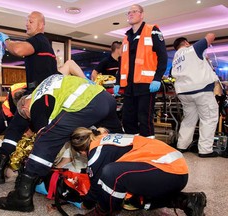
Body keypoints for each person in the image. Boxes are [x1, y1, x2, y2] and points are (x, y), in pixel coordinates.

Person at [0, 74, 123, 212]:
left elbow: (46, 139)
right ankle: (126, 182)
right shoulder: (46, 87)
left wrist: (35, 167)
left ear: (25, 107)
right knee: (116, 142)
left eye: (28, 118)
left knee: (45, 140)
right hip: (105, 99)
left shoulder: (36, 102)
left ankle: (21, 197)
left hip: (86, 102)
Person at [68, 127, 207, 216]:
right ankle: (187, 200)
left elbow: (96, 187)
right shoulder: (105, 139)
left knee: (111, 174)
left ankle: (103, 213)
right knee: (130, 200)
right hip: (173, 171)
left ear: (81, 151)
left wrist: (85, 204)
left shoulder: (96, 152)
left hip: (168, 171)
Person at [116, 4, 168, 137]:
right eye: (128, 12)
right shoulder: (126, 37)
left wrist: (157, 78)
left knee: (144, 118)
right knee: (128, 119)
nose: (131, 14)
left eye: (134, 11)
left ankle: (148, 149)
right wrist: (117, 82)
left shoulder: (152, 30)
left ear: (142, 14)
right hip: (129, 86)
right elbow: (122, 61)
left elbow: (162, 56)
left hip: (147, 84)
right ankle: (133, 146)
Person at [171, 34, 219, 157]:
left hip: (183, 92)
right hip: (200, 90)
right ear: (186, 43)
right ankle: (205, 150)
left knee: (189, 119)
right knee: (208, 118)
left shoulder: (176, 58)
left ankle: (182, 145)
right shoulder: (192, 49)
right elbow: (211, 35)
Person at [0, 82, 27, 147]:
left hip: (16, 110)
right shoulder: (17, 90)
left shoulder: (26, 87)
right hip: (8, 112)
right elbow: (14, 108)